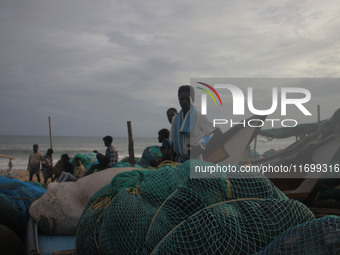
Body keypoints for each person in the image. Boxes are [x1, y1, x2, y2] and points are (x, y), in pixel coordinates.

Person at [171, 85, 215, 163]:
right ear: (179, 100)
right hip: (179, 162)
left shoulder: (199, 116)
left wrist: (202, 148)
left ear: (193, 99)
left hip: (195, 160)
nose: (184, 101)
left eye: (187, 99)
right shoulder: (175, 119)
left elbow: (214, 134)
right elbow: (173, 141)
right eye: (181, 99)